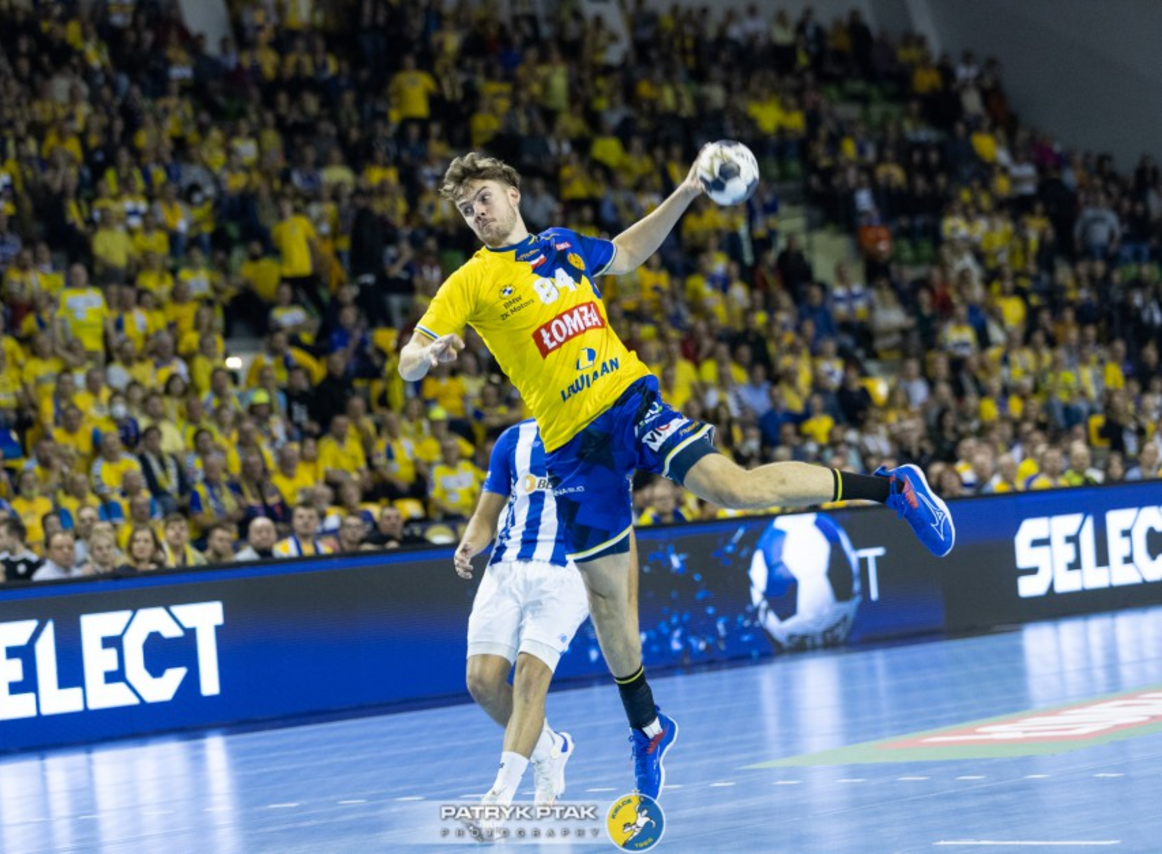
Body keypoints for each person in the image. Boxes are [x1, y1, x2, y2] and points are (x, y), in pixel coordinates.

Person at [399, 150, 956, 799]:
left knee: (734, 488)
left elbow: (627, 253)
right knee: (608, 603)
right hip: (573, 451)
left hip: (629, 403)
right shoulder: (469, 281)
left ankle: (892, 488)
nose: (477, 213)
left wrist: (689, 189)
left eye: (484, 198)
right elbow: (408, 359)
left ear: (512, 194)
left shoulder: (561, 246)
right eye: (466, 208)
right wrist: (428, 352)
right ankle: (648, 727)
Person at [455, 420, 588, 818]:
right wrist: (469, 544)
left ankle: (497, 802)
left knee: (530, 676)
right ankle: (549, 749)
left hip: (567, 570)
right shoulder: (513, 439)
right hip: (505, 568)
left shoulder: (600, 431)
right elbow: (486, 515)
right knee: (482, 681)